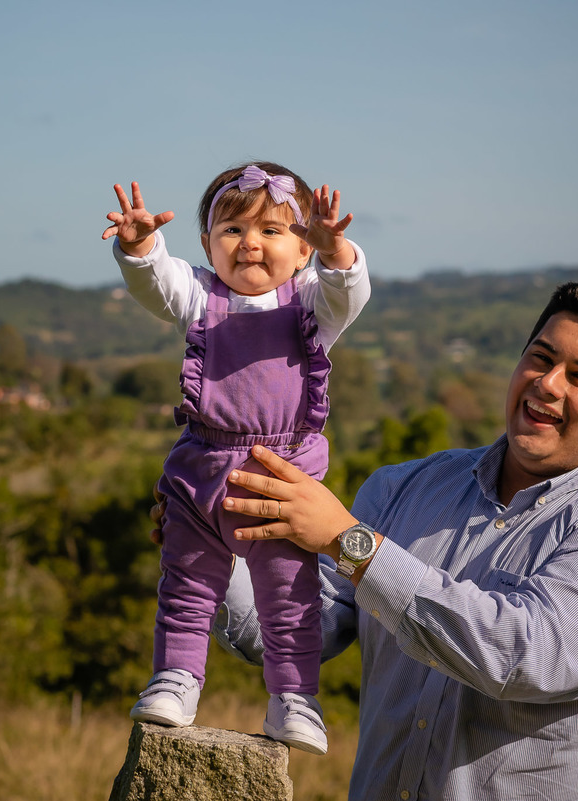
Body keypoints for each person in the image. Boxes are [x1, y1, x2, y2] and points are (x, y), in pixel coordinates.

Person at [187, 281, 578, 799]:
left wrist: (348, 541)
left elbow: (520, 655)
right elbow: (297, 629)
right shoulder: (403, 489)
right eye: (540, 357)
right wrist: (214, 547)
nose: (548, 384)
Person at [102, 161, 371, 755]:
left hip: (279, 475)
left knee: (289, 594)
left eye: (272, 231)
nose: (249, 242)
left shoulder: (309, 304)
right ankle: (176, 679)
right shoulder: (201, 296)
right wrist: (142, 244)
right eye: (231, 230)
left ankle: (294, 700)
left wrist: (338, 252)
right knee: (187, 584)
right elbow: (158, 282)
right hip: (199, 471)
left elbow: (347, 292)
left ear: (303, 247)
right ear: (207, 245)